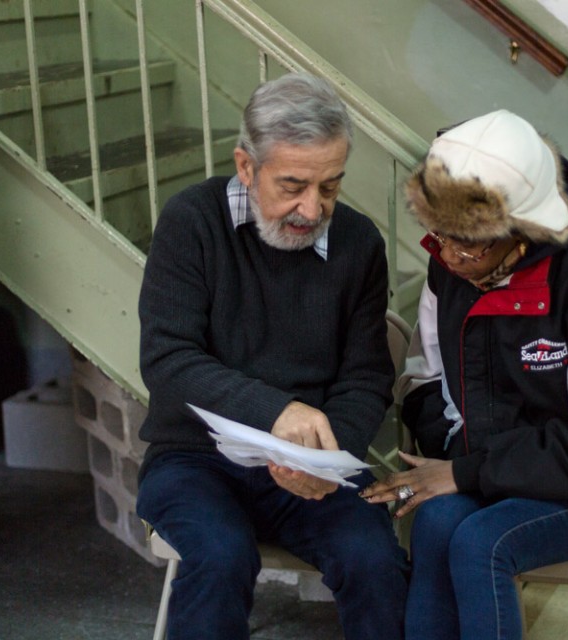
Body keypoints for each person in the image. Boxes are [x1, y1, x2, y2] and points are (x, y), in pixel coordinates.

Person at [361, 109, 568, 640]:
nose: (450, 256)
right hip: (504, 469)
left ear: (523, 229)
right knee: (434, 522)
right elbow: (427, 379)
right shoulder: (450, 267)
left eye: (468, 241)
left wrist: (467, 475)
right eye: (438, 236)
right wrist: (456, 459)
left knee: (482, 543)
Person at [135, 72, 409, 640]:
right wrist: (277, 412)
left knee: (374, 559)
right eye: (292, 185)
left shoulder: (358, 244)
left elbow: (366, 375)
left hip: (314, 465)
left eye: (330, 186)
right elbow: (168, 359)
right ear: (245, 167)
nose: (312, 208)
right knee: (219, 556)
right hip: (194, 459)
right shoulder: (192, 221)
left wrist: (331, 459)